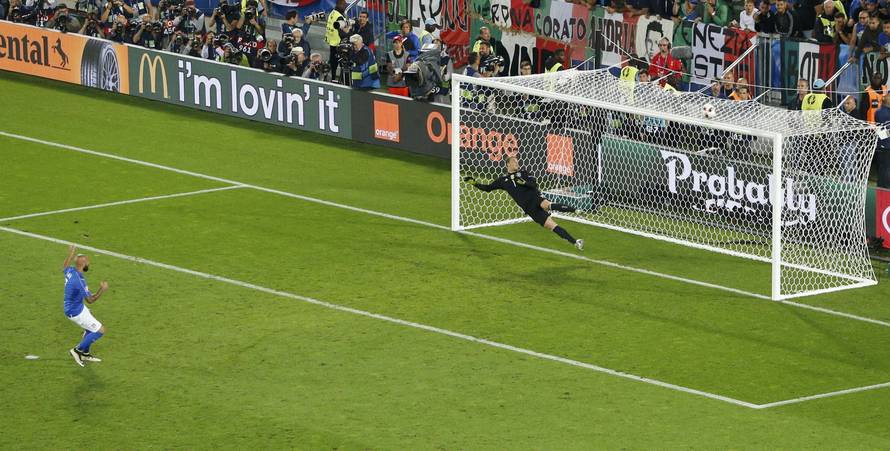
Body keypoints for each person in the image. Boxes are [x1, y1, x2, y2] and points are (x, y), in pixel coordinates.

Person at [464, 156, 585, 250]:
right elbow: (487, 188)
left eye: (517, 161)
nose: (517, 163)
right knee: (552, 226)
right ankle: (575, 242)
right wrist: (475, 184)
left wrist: (523, 183)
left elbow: (534, 184)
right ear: (508, 164)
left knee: (547, 204)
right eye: (514, 161)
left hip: (535, 198)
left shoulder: (524, 173)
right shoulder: (503, 181)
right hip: (529, 208)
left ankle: (575, 210)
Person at [62, 245, 109, 367]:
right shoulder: (79, 280)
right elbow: (90, 300)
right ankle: (77, 350)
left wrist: (71, 254)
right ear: (83, 264)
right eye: (88, 261)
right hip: (76, 311)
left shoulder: (71, 271)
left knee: (90, 328)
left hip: (75, 307)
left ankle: (85, 353)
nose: (89, 263)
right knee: (100, 330)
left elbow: (65, 267)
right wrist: (101, 289)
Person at [325, 0, 350, 82]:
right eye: (344, 5)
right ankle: (342, 81)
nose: (345, 6)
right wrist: (348, 33)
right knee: (341, 64)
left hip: (332, 42)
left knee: (333, 63)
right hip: (338, 43)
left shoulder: (333, 13)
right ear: (339, 4)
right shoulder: (339, 16)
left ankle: (332, 79)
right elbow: (341, 32)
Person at [874, 94, 890, 187]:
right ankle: (882, 192)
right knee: (884, 170)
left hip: (887, 146)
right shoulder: (880, 112)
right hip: (884, 147)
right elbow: (881, 134)